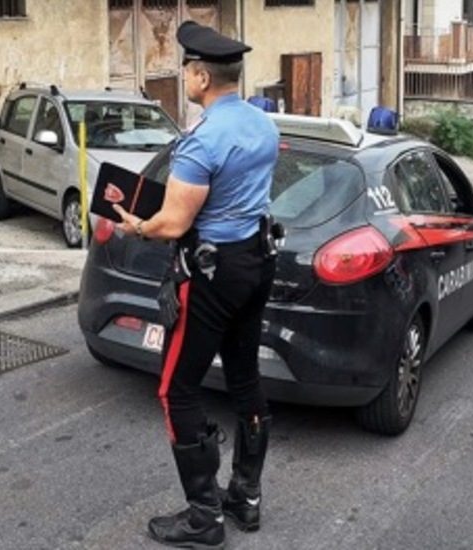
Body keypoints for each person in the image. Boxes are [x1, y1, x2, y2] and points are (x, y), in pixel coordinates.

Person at [112, 20, 280, 550]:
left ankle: (204, 516)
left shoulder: (200, 141)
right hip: (256, 260)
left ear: (202, 76)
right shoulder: (263, 125)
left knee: (176, 388)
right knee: (245, 376)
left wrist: (135, 224)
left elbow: (174, 224)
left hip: (211, 272)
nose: (183, 75)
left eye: (186, 69)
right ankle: (245, 498)